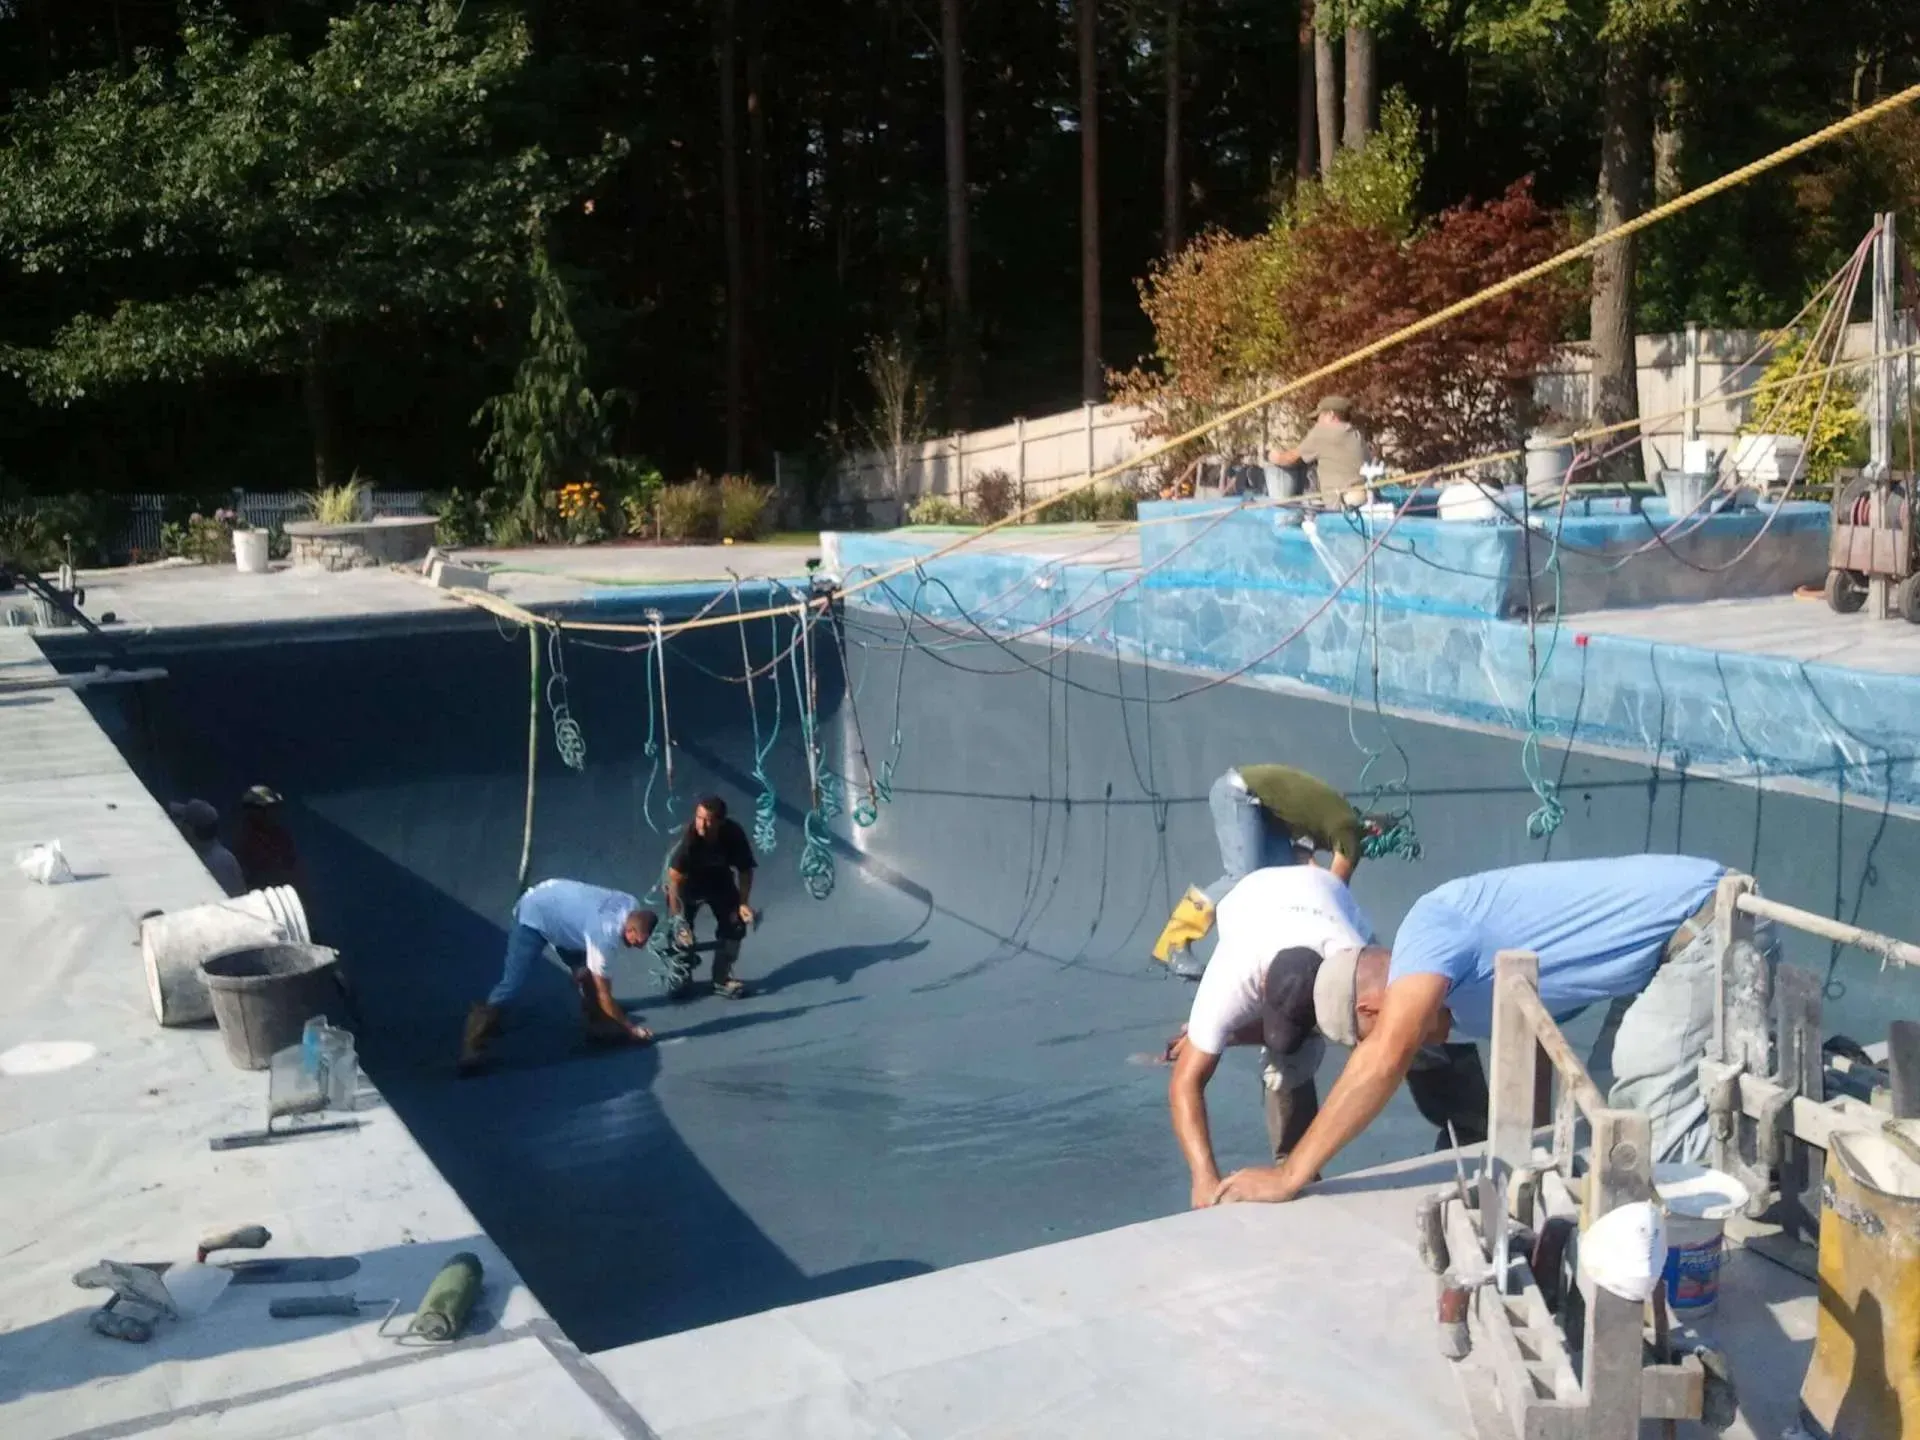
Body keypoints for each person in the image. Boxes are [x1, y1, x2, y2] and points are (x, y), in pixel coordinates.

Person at [1208, 854, 1774, 1206]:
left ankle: (1772, 1170)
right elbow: (1538, 1061)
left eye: (1370, 1034)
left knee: (1651, 1127)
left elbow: (1383, 1060)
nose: (1423, 1046)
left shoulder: (1428, 930)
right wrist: (1526, 1172)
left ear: (1374, 1012)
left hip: (1708, 920)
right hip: (1662, 958)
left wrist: (1290, 1176)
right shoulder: (1471, 1002)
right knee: (1608, 1124)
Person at [1167, 865, 1375, 1210]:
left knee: (1405, 1023)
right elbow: (1184, 1084)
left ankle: (1466, 1120)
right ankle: (1294, 1160)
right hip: (1252, 898)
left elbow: (1388, 1043)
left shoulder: (1351, 955)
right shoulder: (1232, 973)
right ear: (1261, 986)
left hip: (1327, 894)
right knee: (1285, 1063)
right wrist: (1204, 1178)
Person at [1151, 764, 1381, 977]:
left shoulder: (1330, 819)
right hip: (1241, 793)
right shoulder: (1348, 831)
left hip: (1266, 813)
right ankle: (1174, 941)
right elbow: (1333, 890)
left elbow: (1305, 868)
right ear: (1372, 831)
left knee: (1283, 879)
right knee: (1244, 878)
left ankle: (1268, 960)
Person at [460, 878, 658, 1071]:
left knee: (588, 974)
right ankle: (474, 1044)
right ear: (630, 929)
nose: (639, 948)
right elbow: (604, 993)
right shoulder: (604, 935)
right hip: (534, 917)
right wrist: (631, 1029)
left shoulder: (631, 903)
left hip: (565, 921)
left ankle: (599, 1026)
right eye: (637, 942)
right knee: (512, 985)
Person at [665, 796, 759, 999]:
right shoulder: (689, 838)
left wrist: (743, 903)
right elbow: (673, 881)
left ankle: (721, 978)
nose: (702, 825)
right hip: (688, 886)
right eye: (699, 818)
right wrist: (678, 921)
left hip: (720, 882)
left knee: (735, 925)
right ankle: (682, 975)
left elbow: (745, 870)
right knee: (680, 933)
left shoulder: (733, 833)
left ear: (720, 822)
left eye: (708, 820)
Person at [1267, 395, 1369, 503]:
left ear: (1331, 415)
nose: (1317, 422)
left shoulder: (1322, 432)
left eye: (1319, 417)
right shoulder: (1356, 434)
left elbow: (1287, 459)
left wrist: (1270, 455)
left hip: (1338, 504)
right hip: (1366, 499)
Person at [234, 785, 305, 893]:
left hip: (284, 894)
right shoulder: (244, 840)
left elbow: (293, 867)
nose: (275, 814)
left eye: (275, 809)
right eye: (270, 809)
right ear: (256, 812)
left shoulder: (281, 836)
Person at [168, 798, 246, 897]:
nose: (179, 824)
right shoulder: (228, 858)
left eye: (183, 821)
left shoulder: (201, 863)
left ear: (191, 829)